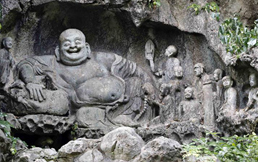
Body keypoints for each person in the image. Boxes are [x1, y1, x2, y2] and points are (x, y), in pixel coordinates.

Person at [11, 29, 157, 130]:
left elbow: (134, 69)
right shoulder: (51, 62)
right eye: (67, 44)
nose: (73, 46)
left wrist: (148, 83)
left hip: (122, 105)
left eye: (77, 42)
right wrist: (30, 82)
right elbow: (25, 64)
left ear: (87, 47)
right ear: (58, 51)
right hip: (83, 111)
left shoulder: (103, 59)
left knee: (136, 87)